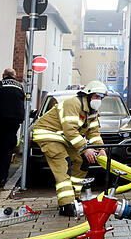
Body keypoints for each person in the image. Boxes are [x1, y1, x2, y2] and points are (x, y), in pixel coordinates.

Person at [31, 81, 106, 216]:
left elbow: (93, 132)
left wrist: (101, 149)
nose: (98, 100)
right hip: (48, 134)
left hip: (63, 138)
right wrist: (85, 148)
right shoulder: (74, 104)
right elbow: (70, 130)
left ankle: (74, 197)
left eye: (101, 97)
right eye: (96, 96)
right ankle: (66, 205)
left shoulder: (92, 111)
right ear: (88, 95)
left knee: (82, 160)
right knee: (63, 165)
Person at [0, 68, 26, 188]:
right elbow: (21, 106)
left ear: (3, 75)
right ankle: (3, 177)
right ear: (14, 76)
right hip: (13, 124)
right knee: (7, 151)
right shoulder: (20, 87)